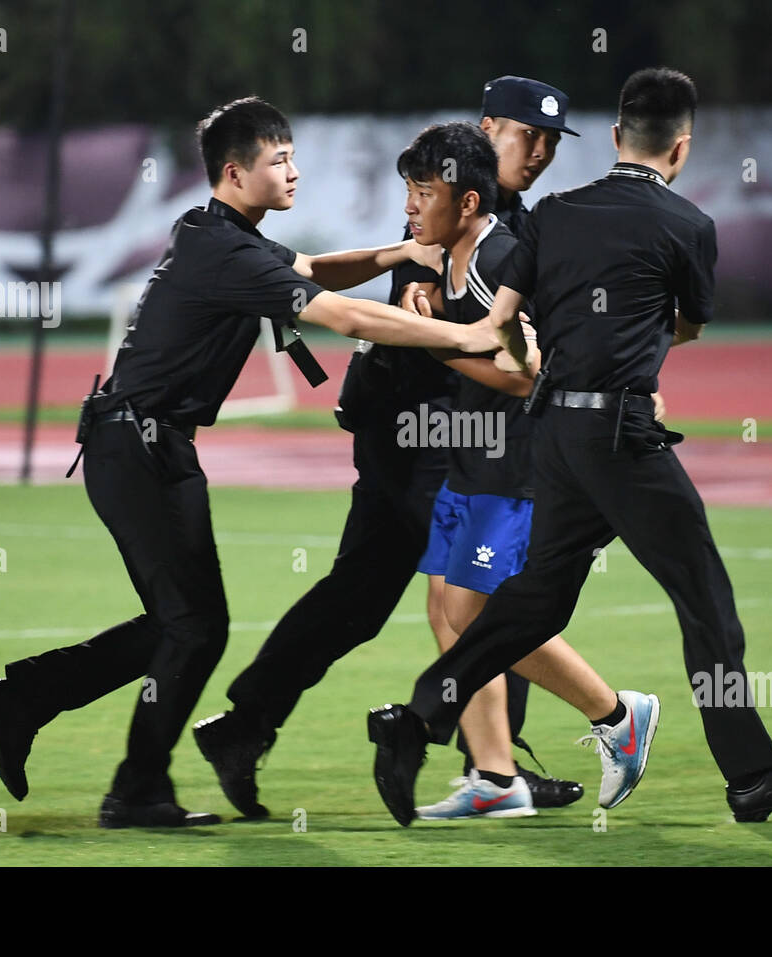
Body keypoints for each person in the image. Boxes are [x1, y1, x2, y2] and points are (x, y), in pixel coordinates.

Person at [0, 95, 499, 829]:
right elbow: (339, 314)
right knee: (193, 627)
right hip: (138, 445)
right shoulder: (225, 249)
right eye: (278, 160)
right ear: (233, 171)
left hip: (152, 445)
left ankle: (27, 699)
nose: (294, 171)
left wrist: (393, 255)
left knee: (183, 624)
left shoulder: (225, 235)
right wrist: (467, 339)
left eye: (292, 156)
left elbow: (315, 268)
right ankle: (134, 788)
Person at [369, 68, 772, 827]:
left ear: (618, 138)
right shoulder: (690, 225)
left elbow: (503, 327)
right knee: (706, 602)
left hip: (552, 434)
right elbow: (687, 325)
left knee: (531, 602)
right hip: (623, 434)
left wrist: (427, 321)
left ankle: (421, 712)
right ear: (681, 148)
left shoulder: (553, 215)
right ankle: (753, 777)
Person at [192, 78, 585, 819]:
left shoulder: (495, 217)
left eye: (551, 142)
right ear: (489, 127)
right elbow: (447, 330)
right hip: (419, 437)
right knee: (446, 590)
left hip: (445, 435)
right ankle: (503, 761)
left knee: (426, 591)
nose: (538, 153)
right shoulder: (457, 210)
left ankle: (487, 766)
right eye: (525, 134)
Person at [394, 121, 626, 821]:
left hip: (512, 463)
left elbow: (529, 375)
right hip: (469, 458)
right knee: (445, 609)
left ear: (466, 202)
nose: (410, 205)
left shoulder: (497, 255)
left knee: (477, 611)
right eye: (407, 189)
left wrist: (433, 341)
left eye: (422, 191)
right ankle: (495, 776)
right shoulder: (449, 258)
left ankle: (617, 715)